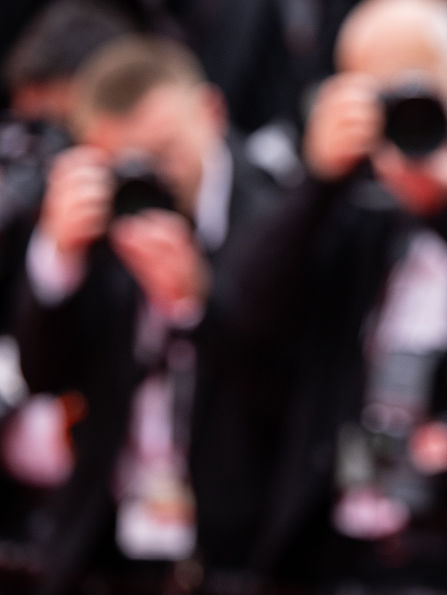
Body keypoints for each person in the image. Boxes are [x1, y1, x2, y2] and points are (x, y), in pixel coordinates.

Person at [14, 35, 281, 593]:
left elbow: (287, 389)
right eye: (125, 163)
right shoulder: (98, 219)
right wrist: (58, 256)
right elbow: (42, 375)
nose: (148, 178)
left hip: (237, 548)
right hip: (105, 540)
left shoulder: (276, 215)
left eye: (164, 152)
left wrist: (196, 305)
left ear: (210, 112)